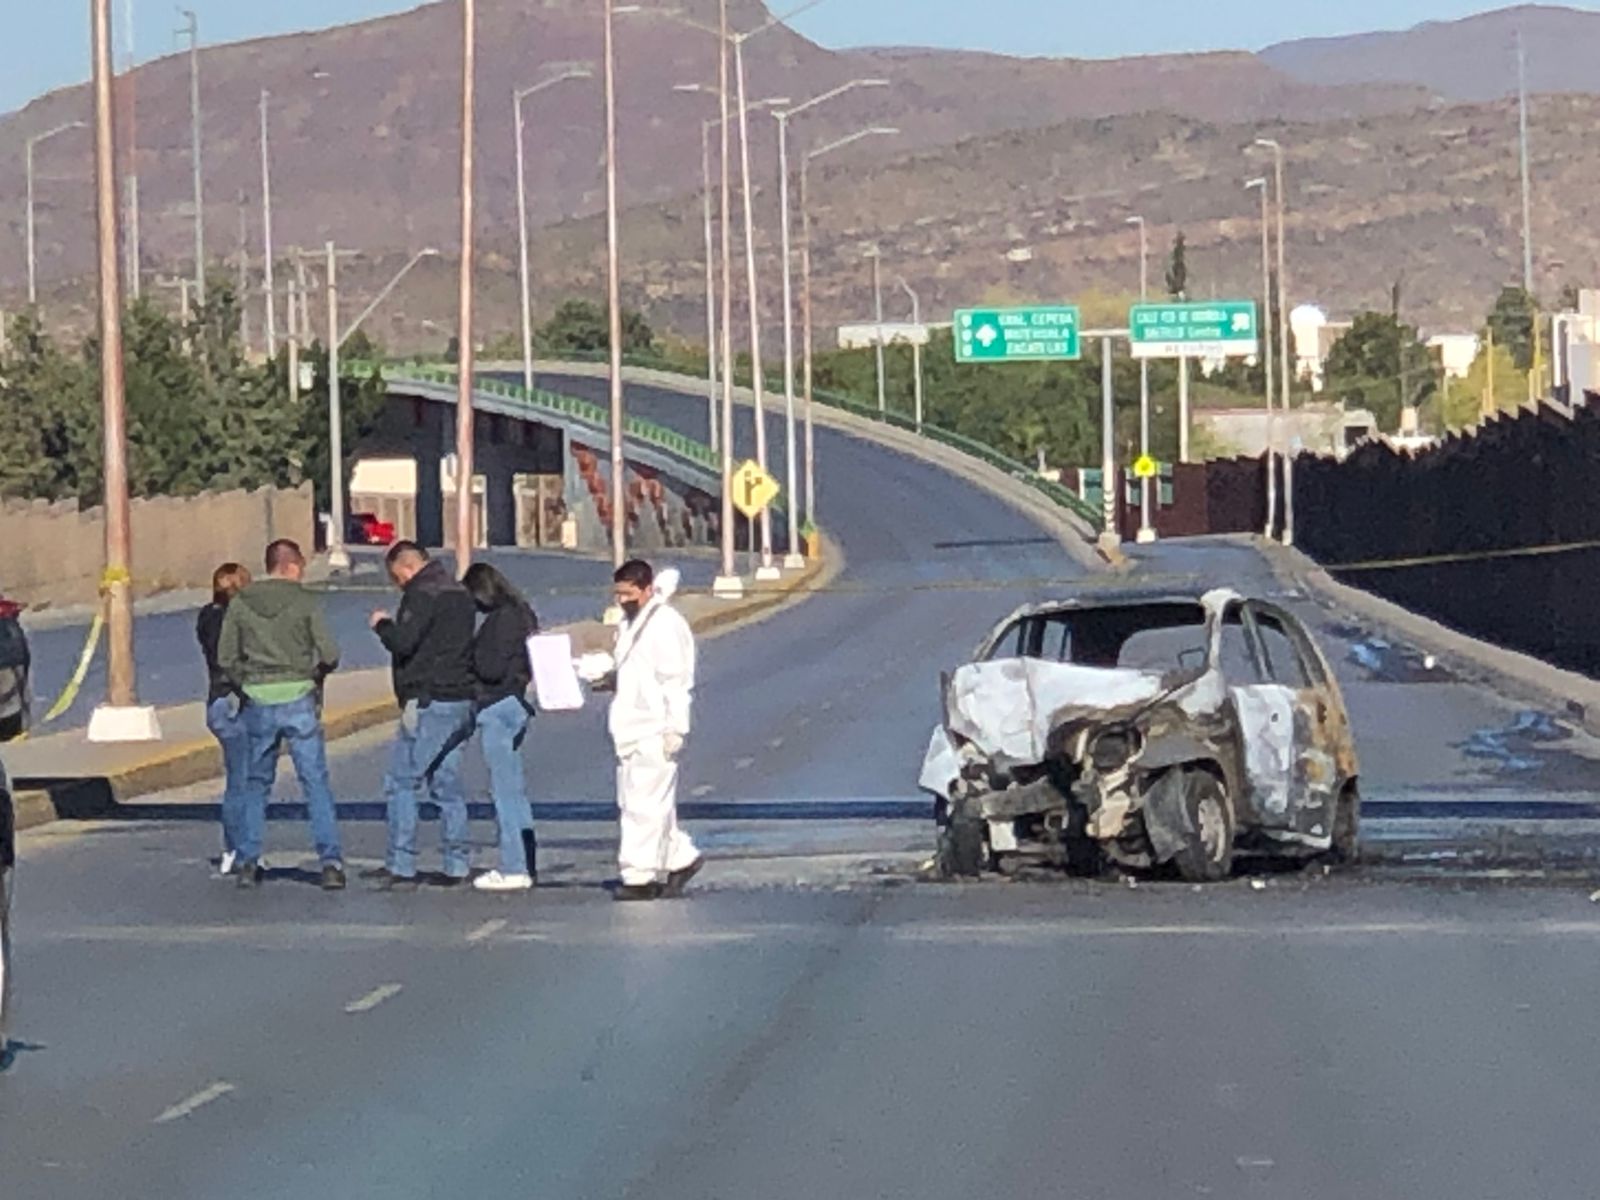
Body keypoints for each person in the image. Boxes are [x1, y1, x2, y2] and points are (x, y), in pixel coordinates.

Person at [218, 539, 345, 891]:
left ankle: (248, 859)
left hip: (258, 698)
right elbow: (330, 652)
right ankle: (330, 862)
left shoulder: (241, 603)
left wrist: (247, 682)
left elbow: (226, 656)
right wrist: (313, 672)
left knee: (256, 783)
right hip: (300, 695)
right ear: (291, 566)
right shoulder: (305, 601)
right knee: (315, 783)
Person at [368, 542, 477, 890]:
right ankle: (457, 862)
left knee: (402, 781)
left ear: (406, 568)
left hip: (429, 698)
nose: (397, 583)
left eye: (396, 575)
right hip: (461, 698)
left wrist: (383, 624)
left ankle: (401, 862)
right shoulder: (459, 593)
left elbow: (404, 642)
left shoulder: (422, 594)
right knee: (446, 784)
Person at [602, 559, 703, 902]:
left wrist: (676, 727)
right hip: (629, 726)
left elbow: (676, 681)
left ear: (647, 590)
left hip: (654, 728)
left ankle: (639, 875)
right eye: (618, 594)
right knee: (643, 801)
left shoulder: (665, 625)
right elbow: (631, 670)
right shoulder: (631, 624)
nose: (622, 600)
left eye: (629, 594)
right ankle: (679, 856)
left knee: (642, 805)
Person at [463, 562, 540, 893]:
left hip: (496, 705)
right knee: (515, 791)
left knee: (504, 792)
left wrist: (470, 659)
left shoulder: (499, 621)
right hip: (517, 703)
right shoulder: (524, 614)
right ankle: (526, 861)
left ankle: (513, 867)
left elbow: (491, 667)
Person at [196, 562, 253, 876]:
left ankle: (235, 848)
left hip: (217, 701)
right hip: (236, 700)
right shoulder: (238, 619)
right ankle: (242, 849)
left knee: (236, 779)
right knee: (244, 781)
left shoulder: (206, 617)